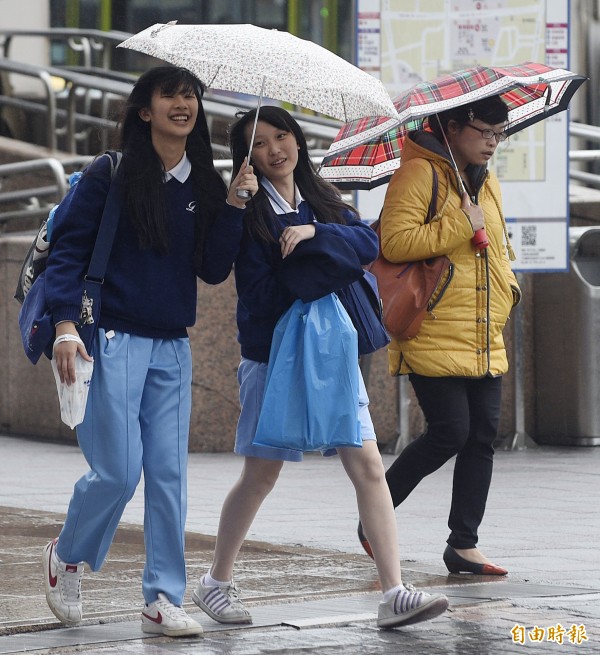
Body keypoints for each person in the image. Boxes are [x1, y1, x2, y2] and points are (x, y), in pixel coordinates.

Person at [190, 106, 449, 630]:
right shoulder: (248, 210)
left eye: (281, 136)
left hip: (335, 355)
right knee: (261, 474)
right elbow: (246, 286)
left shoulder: (323, 198)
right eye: (259, 143)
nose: (274, 149)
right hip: (273, 357)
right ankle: (216, 581)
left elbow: (368, 243)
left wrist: (313, 236)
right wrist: (240, 209)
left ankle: (393, 590)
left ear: (298, 140)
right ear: (246, 157)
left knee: (369, 466)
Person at [41, 66, 257, 638]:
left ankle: (162, 596)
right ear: (145, 110)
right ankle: (66, 554)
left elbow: (211, 269)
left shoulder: (206, 183)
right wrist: (65, 326)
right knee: (117, 471)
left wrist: (235, 206)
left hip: (172, 345)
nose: (182, 104)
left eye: (190, 95)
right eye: (170, 95)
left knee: (168, 476)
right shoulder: (110, 173)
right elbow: (67, 255)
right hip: (108, 339)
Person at [358, 95, 520, 576]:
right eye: (484, 130)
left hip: (482, 329)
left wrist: (509, 292)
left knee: (482, 437)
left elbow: (497, 248)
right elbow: (396, 242)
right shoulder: (418, 174)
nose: (492, 141)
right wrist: (458, 223)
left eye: (499, 133)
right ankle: (374, 514)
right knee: (450, 431)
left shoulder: (485, 182)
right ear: (452, 128)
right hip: (431, 326)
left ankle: (463, 544)